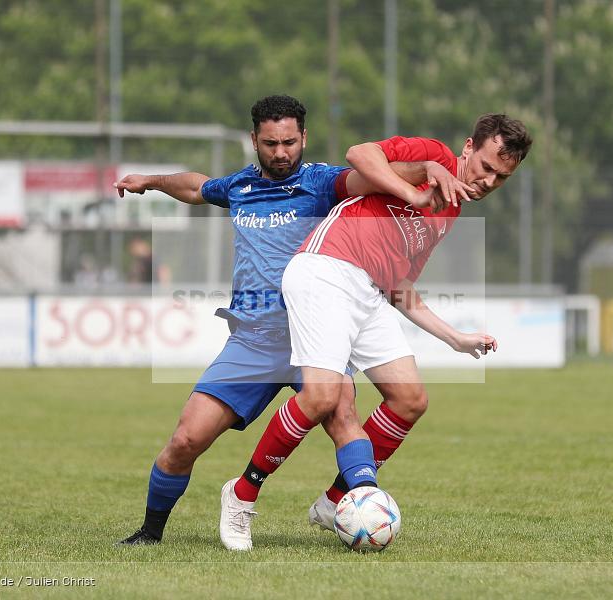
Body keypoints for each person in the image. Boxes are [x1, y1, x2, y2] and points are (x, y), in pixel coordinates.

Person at [113, 95, 463, 546]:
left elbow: (371, 176)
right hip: (254, 341)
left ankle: (361, 504)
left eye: (290, 142)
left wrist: (426, 171)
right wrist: (152, 181)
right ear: (254, 140)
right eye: (272, 143)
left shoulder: (321, 182)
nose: (282, 153)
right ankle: (149, 533)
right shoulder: (240, 186)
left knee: (346, 421)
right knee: (185, 439)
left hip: (315, 334)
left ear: (304, 139)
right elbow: (197, 187)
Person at [219, 114, 533, 551]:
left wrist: (455, 338)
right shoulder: (435, 156)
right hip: (326, 269)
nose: (489, 180)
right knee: (321, 397)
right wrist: (413, 189)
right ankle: (242, 493)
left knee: (410, 400)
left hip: (366, 290)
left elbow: (399, 287)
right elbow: (358, 154)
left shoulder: (452, 210)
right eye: (485, 166)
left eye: (502, 177)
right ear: (467, 148)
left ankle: (334, 502)